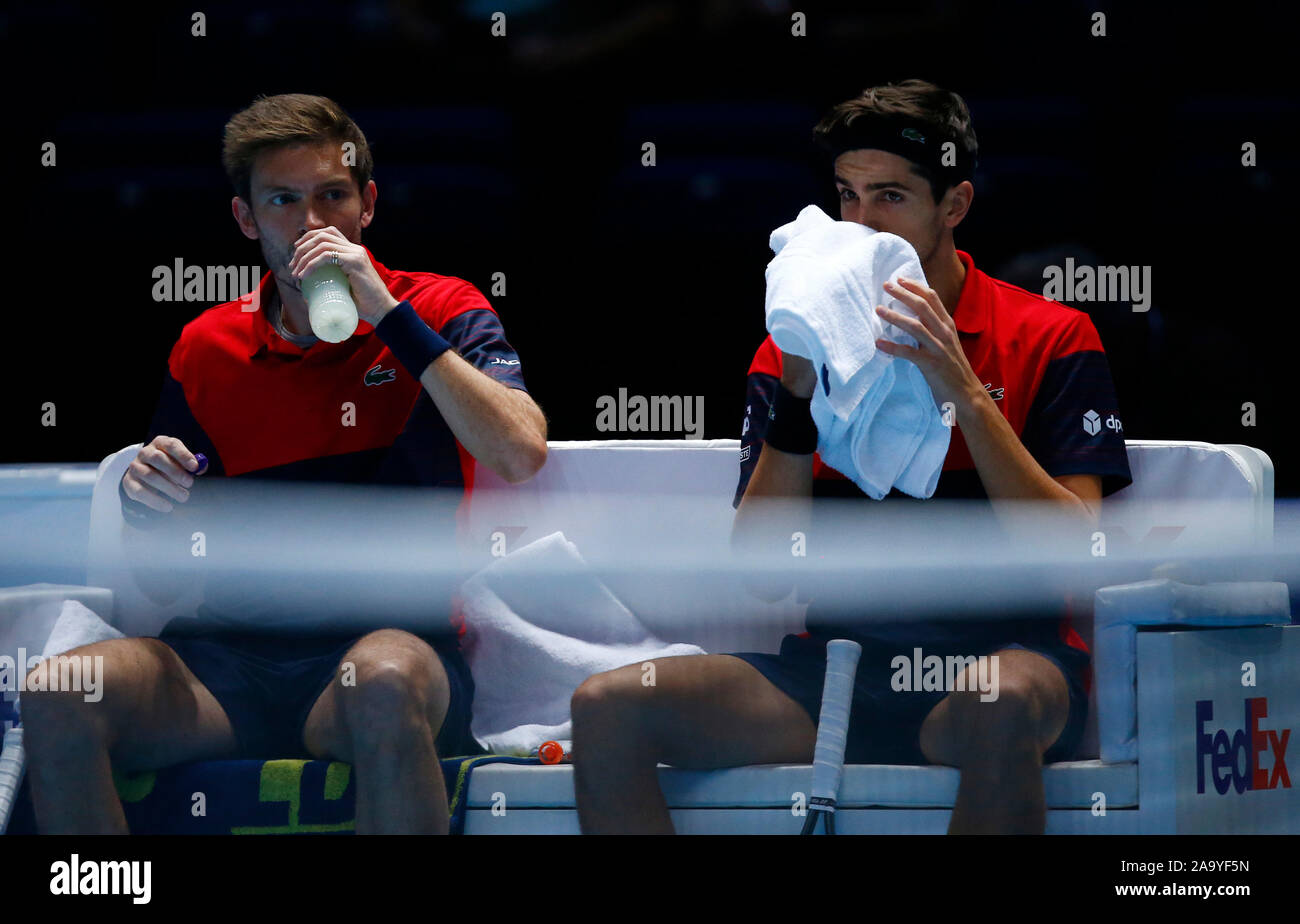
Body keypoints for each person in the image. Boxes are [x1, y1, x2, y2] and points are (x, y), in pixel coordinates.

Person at [570, 79, 1132, 834]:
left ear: (954, 206)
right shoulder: (791, 343)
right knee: (607, 706)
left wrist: (964, 393)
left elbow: (1076, 554)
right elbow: (767, 577)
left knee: (1000, 705)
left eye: (891, 198)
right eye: (847, 196)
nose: (861, 225)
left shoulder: (1052, 336)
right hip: (831, 673)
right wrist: (798, 399)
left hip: (999, 663)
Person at [22, 94, 548, 834]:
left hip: (388, 648)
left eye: (332, 196)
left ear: (367, 204)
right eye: (284, 201)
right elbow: (167, 577)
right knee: (57, 692)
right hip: (226, 664)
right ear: (246, 218)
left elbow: (521, 452)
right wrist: (148, 510)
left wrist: (390, 318)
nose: (313, 224)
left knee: (386, 684)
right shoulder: (206, 346)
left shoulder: (439, 306)